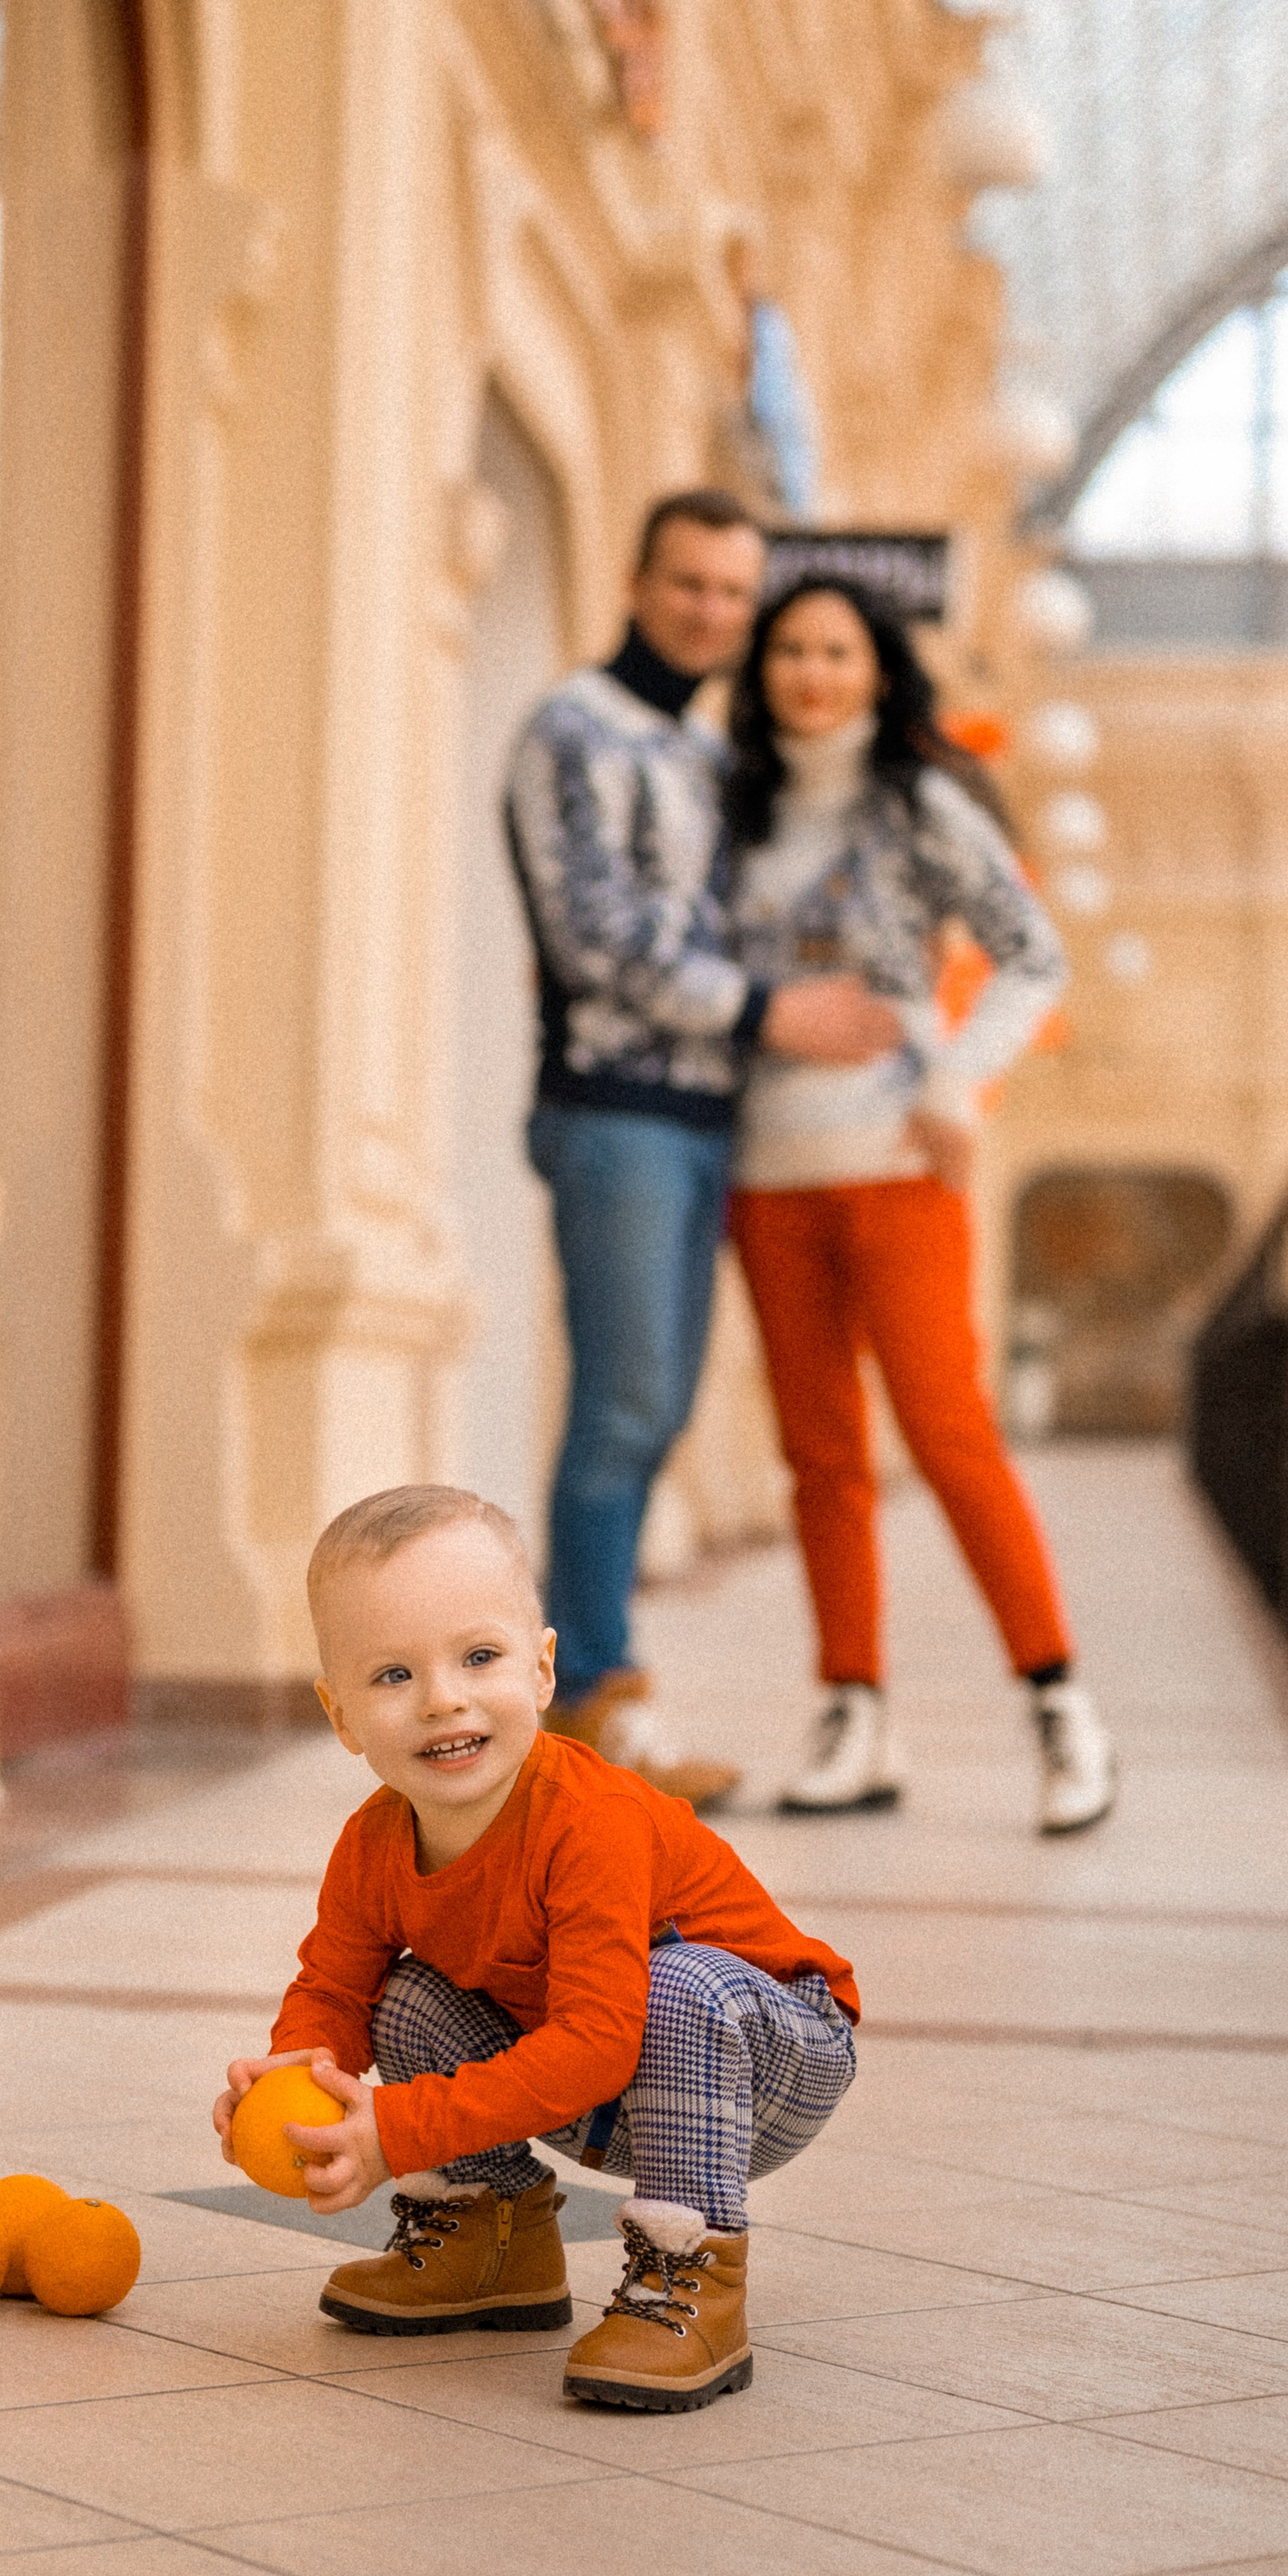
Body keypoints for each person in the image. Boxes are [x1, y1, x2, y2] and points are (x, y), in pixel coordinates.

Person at [211, 1483, 860, 2412]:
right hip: (612, 2079)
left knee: (675, 1986)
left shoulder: (589, 1820)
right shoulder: (373, 1844)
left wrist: (396, 2129)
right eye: (393, 1676)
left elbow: (600, 2040)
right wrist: (295, 2075)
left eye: (480, 1656)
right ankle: (493, 2237)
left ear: (544, 1671)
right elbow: (335, 1988)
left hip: (767, 2058)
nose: (444, 1700)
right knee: (407, 1993)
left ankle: (692, 2279)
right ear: (340, 1714)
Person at [504, 489, 894, 1808]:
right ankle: (586, 1709)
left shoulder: (714, 755)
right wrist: (773, 1010)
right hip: (614, 1112)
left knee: (657, 1404)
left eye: (735, 592)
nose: (714, 613)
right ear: (637, 579)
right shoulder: (571, 731)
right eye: (690, 585)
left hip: (709, 1126)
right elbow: (595, 936)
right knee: (623, 1403)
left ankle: (598, 1698)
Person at [721, 575, 1116, 1833]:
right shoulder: (731, 804)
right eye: (790, 650)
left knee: (949, 1436)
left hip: (900, 1165)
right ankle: (853, 1711)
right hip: (764, 1176)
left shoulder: (922, 799)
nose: (813, 673)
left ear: (879, 671)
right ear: (765, 667)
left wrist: (956, 1077)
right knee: (819, 1459)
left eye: (838, 650)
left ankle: (1060, 1705)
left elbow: (1033, 952)